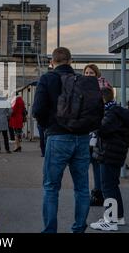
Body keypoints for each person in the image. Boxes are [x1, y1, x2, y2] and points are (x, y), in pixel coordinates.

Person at [33, 47, 103, 233]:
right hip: (81, 139)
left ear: (52, 62)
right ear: (71, 61)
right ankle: (79, 229)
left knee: (51, 187)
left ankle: (50, 230)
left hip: (57, 138)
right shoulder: (82, 80)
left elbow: (37, 110)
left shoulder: (47, 79)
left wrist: (48, 126)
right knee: (81, 188)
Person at [90, 87, 129, 231]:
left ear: (102, 99)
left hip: (109, 155)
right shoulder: (116, 111)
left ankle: (110, 220)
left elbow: (102, 129)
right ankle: (118, 217)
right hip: (114, 155)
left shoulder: (111, 114)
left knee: (107, 187)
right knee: (112, 186)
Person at [83, 64, 110, 207]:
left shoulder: (103, 86)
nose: (88, 75)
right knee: (89, 163)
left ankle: (98, 192)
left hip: (97, 130)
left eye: (91, 73)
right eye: (86, 72)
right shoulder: (82, 87)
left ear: (97, 74)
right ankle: (95, 192)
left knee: (95, 162)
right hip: (86, 130)